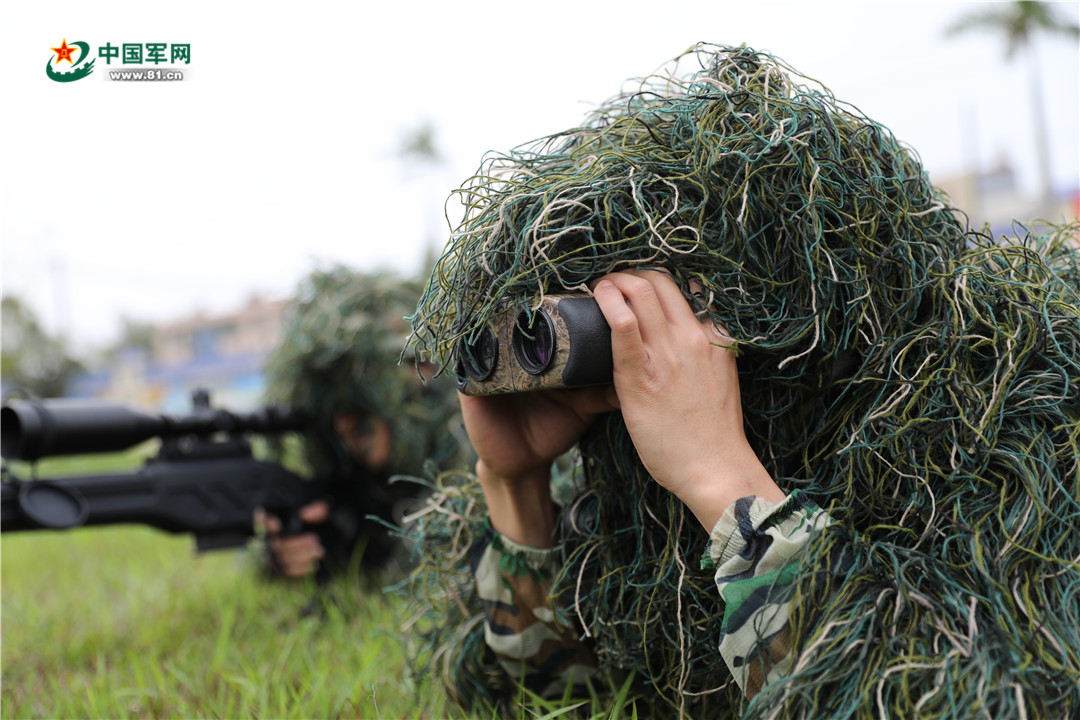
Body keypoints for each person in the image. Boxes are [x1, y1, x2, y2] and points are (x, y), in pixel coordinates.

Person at [401, 43, 1080, 718]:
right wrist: (516, 487)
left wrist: (723, 480)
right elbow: (566, 698)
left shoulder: (1001, 413)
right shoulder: (637, 496)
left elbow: (914, 696)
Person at [258, 265, 469, 580]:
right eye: (334, 410)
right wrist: (286, 551)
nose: (345, 424)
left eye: (359, 403)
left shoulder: (460, 435)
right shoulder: (345, 474)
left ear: (417, 371)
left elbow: (446, 552)